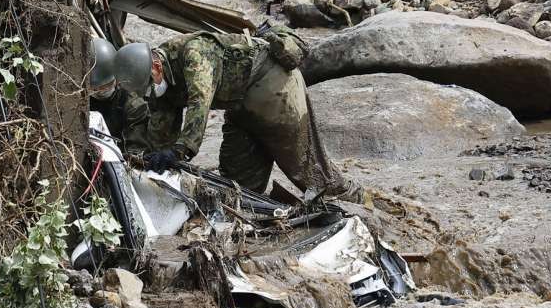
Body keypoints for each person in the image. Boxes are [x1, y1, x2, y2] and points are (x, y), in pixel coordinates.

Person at [112, 24, 363, 202]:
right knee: (237, 187)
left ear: (156, 66)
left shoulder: (194, 53)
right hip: (238, 104)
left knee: (306, 170)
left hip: (274, 87)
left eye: (147, 85)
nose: (148, 92)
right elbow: (160, 126)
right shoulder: (160, 82)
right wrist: (147, 160)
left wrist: (180, 150)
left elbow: (201, 101)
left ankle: (355, 199)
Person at [88, 38, 151, 154]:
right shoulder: (80, 98)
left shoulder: (134, 107)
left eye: (105, 86)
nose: (99, 92)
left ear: (117, 79)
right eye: (94, 89)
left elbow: (136, 151)